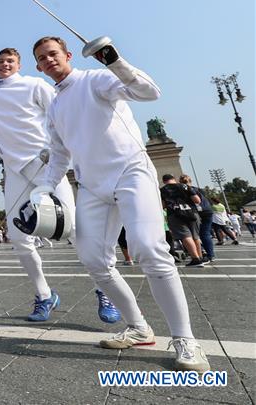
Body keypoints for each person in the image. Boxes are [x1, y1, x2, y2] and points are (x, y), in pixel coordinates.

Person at [32, 35, 208, 371]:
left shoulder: (96, 78)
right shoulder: (54, 107)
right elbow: (58, 155)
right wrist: (43, 188)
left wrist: (115, 61)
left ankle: (185, 339)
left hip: (130, 172)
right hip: (92, 186)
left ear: (67, 54)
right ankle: (139, 327)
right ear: (39, 67)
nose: (49, 60)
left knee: (149, 250)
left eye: (53, 53)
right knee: (94, 260)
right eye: (42, 58)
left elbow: (149, 92)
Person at [0, 43, 119, 324]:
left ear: (19, 65)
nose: (4, 64)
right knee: (20, 237)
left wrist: (60, 150)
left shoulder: (35, 85)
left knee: (73, 230)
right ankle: (44, 294)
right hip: (15, 172)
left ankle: (104, 290)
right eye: (0, 61)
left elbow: (60, 113)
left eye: (10, 60)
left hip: (47, 167)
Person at [179, 175, 215, 263]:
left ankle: (206, 255)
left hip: (197, 213)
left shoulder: (186, 190)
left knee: (195, 235)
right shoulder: (198, 189)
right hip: (208, 211)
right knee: (204, 234)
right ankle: (209, 254)